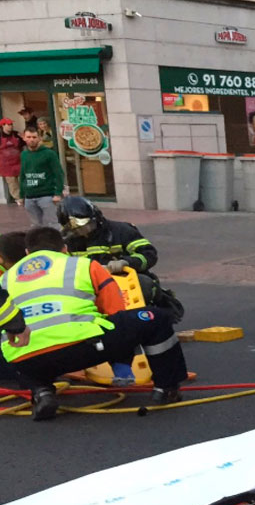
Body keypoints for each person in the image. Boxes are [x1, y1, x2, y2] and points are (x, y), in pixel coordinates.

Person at [3, 227, 189, 421]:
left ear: (27, 252)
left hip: (24, 359)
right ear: (65, 249)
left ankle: (41, 391)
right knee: (155, 317)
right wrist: (122, 360)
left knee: (27, 355)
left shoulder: (5, 278)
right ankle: (166, 388)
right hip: (83, 347)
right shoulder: (83, 265)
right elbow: (115, 311)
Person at [18, 126, 62, 227]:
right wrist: (21, 195)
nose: (31, 140)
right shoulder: (24, 154)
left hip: (46, 195)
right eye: (28, 137)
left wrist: (58, 193)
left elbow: (58, 173)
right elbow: (23, 175)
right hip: (29, 196)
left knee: (52, 224)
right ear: (24, 138)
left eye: (34, 137)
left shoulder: (49, 154)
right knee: (35, 225)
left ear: (39, 138)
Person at [0, 119, 21, 205]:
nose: (11, 126)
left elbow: (23, 145)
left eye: (11, 124)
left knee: (22, 179)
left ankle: (25, 196)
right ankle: (18, 198)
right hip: (6, 164)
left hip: (18, 161)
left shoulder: (16, 134)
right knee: (12, 183)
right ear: (3, 126)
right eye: (8, 125)